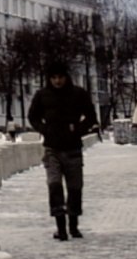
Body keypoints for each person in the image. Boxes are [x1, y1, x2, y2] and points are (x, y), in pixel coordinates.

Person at [26, 62, 95, 240]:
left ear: (66, 77)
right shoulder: (42, 95)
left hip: (73, 148)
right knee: (54, 186)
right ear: (49, 79)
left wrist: (78, 129)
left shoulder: (78, 94)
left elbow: (91, 116)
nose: (57, 81)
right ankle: (60, 227)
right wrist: (45, 129)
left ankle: (73, 225)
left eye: (60, 77)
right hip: (52, 149)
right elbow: (32, 116)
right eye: (54, 77)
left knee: (75, 188)